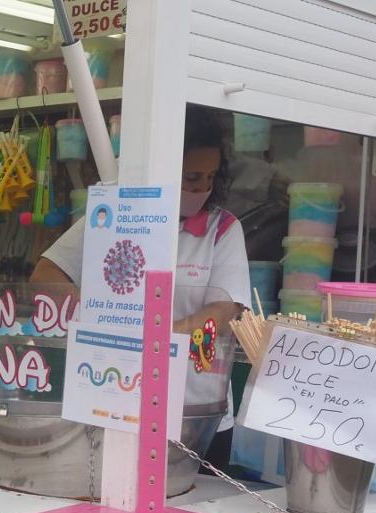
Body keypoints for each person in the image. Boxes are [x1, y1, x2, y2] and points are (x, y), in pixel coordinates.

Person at [31, 104, 249, 468]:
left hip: (194, 409)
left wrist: (162, 337)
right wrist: (99, 314)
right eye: (193, 178)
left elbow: (225, 311)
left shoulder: (222, 229)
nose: (204, 188)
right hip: (117, 401)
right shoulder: (114, 219)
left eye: (211, 177)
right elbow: (46, 276)